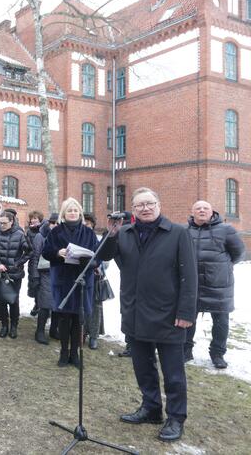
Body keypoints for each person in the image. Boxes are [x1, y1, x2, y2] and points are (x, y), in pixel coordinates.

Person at [99, 187, 197, 442]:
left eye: (149, 203)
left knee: (173, 372)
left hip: (169, 314)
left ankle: (176, 418)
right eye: (139, 204)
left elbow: (190, 277)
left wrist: (186, 312)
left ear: (159, 205)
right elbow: (104, 257)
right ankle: (151, 408)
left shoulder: (177, 233)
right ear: (133, 209)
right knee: (143, 366)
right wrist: (110, 233)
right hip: (135, 311)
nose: (145, 208)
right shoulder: (125, 233)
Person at [186, 200, 245, 369]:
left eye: (205, 208)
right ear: (192, 212)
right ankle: (186, 350)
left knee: (221, 322)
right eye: (198, 208)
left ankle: (217, 354)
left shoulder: (226, 230)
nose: (202, 210)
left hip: (219, 285)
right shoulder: (184, 231)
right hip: (192, 283)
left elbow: (239, 253)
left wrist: (222, 268)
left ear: (212, 212)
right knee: (188, 318)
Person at [43, 198, 99, 368]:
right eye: (69, 210)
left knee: (78, 319)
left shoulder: (88, 233)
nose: (73, 213)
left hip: (82, 281)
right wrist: (57, 253)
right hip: (63, 280)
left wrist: (89, 260)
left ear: (80, 213)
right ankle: (63, 352)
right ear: (64, 213)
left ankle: (75, 354)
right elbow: (46, 252)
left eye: (75, 210)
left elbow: (97, 257)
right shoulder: (55, 232)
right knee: (64, 319)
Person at [0, 210, 31, 339]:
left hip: (14, 274)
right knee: (1, 301)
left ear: (11, 222)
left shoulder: (19, 235)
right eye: (0, 223)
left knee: (13, 301)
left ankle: (14, 326)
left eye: (5, 223)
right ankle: (4, 325)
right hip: (0, 272)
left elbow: (29, 251)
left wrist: (18, 263)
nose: (2, 225)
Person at [29, 213, 58, 344]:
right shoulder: (40, 236)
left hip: (59, 274)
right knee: (45, 304)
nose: (55, 225)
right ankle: (39, 331)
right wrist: (35, 276)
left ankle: (54, 329)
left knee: (58, 304)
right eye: (53, 223)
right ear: (49, 223)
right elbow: (35, 257)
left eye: (58, 223)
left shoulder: (62, 236)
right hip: (45, 274)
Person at [83, 213, 110, 350]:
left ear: (92, 224)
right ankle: (82, 333)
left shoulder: (97, 240)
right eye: (83, 223)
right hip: (80, 278)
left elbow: (106, 260)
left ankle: (93, 336)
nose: (85, 225)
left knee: (95, 309)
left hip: (95, 279)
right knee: (81, 307)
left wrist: (97, 265)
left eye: (88, 223)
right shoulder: (76, 238)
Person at [26, 211, 44, 316]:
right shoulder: (29, 232)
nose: (33, 220)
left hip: (43, 261)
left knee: (43, 285)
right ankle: (37, 304)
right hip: (32, 261)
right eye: (32, 218)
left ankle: (42, 306)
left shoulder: (43, 231)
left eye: (35, 218)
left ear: (40, 220)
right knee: (35, 284)